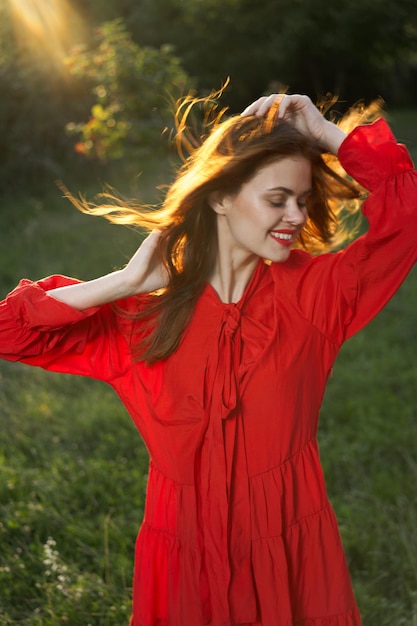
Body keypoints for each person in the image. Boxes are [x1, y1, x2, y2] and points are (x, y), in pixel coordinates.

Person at [1, 92, 416, 626]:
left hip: (289, 549)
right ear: (220, 197)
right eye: (278, 199)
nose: (296, 215)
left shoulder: (317, 295)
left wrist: (322, 131)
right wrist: (124, 282)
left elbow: (405, 212)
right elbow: (12, 331)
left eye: (303, 199)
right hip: (183, 557)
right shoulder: (142, 318)